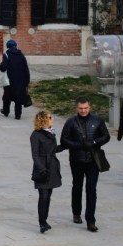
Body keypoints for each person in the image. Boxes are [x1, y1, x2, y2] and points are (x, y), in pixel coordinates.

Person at [60, 96, 111, 232]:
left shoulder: (97, 120)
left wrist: (94, 142)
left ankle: (90, 220)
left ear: (90, 107)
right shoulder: (71, 122)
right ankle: (76, 212)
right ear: (76, 108)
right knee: (77, 186)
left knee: (91, 189)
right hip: (76, 160)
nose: (83, 111)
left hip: (93, 160)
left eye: (86, 108)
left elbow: (106, 136)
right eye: (81, 108)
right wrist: (79, 145)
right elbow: (64, 140)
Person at [30, 110, 64, 234]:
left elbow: (52, 149)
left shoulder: (51, 133)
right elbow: (35, 154)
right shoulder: (36, 135)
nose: (52, 119)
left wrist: (64, 146)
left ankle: (45, 220)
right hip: (42, 168)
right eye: (50, 117)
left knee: (48, 196)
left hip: (52, 166)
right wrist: (42, 169)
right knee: (43, 196)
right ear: (44, 120)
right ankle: (42, 223)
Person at [0, 40, 31, 120]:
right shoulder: (21, 55)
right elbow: (26, 69)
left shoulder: (6, 55)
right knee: (18, 98)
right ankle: (18, 115)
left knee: (7, 96)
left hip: (9, 80)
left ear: (8, 46)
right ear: (16, 46)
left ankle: (6, 111)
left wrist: (1, 65)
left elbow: (3, 68)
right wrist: (27, 80)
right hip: (20, 80)